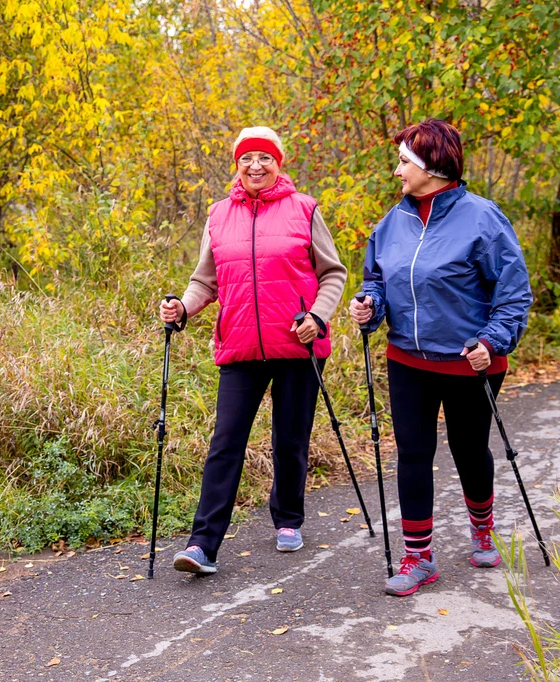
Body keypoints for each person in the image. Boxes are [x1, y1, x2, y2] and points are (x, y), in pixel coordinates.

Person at [349, 118, 532, 597]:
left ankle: (483, 529)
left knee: (468, 449)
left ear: (433, 167)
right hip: (408, 359)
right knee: (411, 453)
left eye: (404, 162)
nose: (397, 171)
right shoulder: (391, 223)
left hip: (470, 361)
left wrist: (490, 342)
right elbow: (376, 281)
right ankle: (418, 557)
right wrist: (369, 306)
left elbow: (513, 295)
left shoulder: (483, 218)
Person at [159, 126, 346, 575]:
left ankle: (288, 518)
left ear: (279, 163)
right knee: (225, 442)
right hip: (240, 345)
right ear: (237, 165)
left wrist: (317, 318)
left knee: (290, 438)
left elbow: (333, 274)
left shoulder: (304, 209)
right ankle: (202, 544)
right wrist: (183, 307)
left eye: (264, 157)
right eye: (247, 158)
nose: (255, 166)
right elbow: (206, 280)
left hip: (298, 343)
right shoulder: (219, 215)